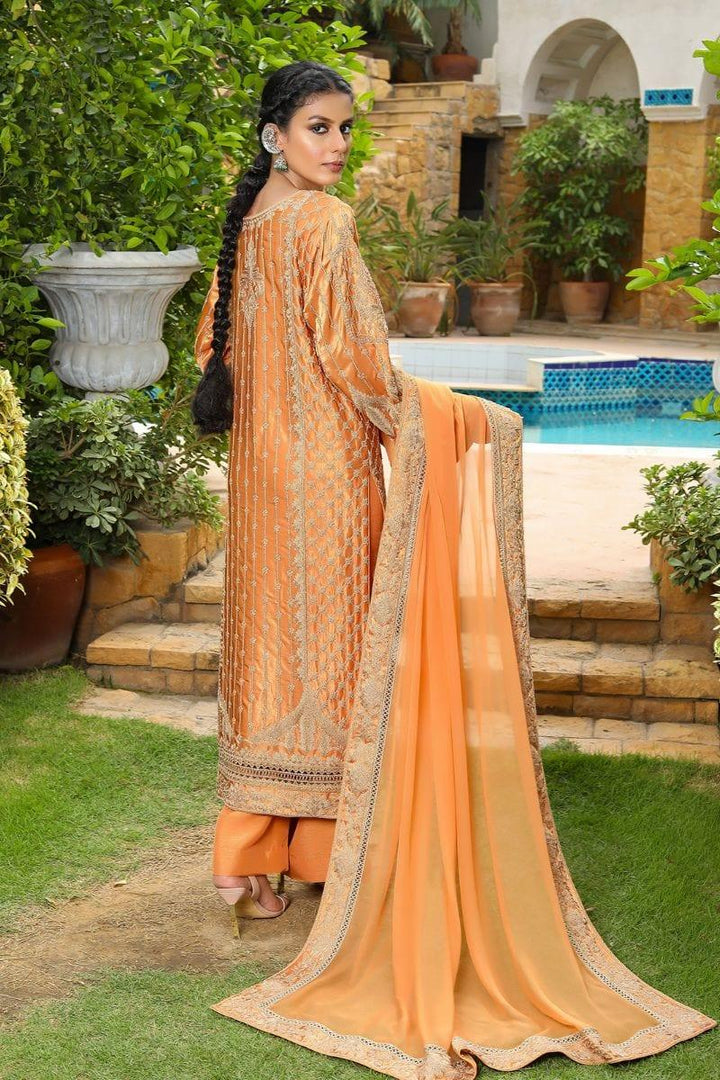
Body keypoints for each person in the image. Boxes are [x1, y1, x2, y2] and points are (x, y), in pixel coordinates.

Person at [193, 60, 716, 1077]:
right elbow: (355, 360)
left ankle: (252, 864)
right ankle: (325, 865)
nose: (336, 145)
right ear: (274, 135)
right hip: (327, 477)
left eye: (345, 128)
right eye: (317, 127)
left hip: (260, 476)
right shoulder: (322, 223)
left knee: (271, 650)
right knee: (339, 654)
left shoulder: (251, 219)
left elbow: (221, 348)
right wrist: (459, 419)